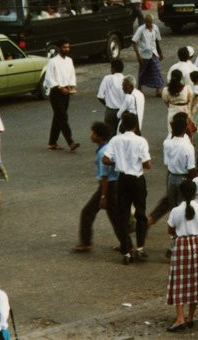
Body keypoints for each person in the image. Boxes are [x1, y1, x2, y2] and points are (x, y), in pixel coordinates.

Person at [102, 112, 152, 264]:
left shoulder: (115, 140)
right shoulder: (141, 141)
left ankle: (126, 251)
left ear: (122, 125)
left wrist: (117, 162)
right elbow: (147, 164)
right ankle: (140, 247)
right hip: (137, 179)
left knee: (123, 215)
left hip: (122, 179)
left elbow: (105, 160)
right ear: (136, 126)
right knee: (140, 213)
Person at [73, 122, 127, 255]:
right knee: (115, 217)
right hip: (115, 186)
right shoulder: (109, 147)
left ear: (100, 137)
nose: (91, 136)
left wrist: (103, 197)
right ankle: (126, 244)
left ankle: (86, 242)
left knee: (87, 212)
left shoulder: (103, 152)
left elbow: (104, 177)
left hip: (107, 187)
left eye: (93, 134)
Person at [166, 179, 198, 332]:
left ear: (180, 192)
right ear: (194, 192)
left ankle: (180, 318)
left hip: (182, 245)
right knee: (196, 280)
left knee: (179, 281)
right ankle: (191, 317)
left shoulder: (176, 211)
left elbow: (170, 229)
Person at [44, 39, 80, 151]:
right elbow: (49, 78)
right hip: (56, 92)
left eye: (68, 47)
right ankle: (70, 142)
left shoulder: (69, 60)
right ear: (59, 48)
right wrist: (60, 87)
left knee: (58, 117)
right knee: (63, 117)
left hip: (66, 91)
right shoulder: (53, 61)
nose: (67, 49)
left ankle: (52, 143)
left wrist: (72, 86)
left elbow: (72, 74)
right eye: (64, 47)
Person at [133, 14, 165, 91]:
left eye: (150, 23)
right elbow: (134, 42)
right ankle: (139, 87)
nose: (148, 24)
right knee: (142, 71)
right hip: (144, 54)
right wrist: (138, 55)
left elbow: (156, 41)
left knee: (156, 70)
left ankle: (158, 90)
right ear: (144, 22)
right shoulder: (141, 29)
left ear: (152, 22)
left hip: (153, 52)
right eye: (147, 22)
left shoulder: (155, 28)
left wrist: (160, 53)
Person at [97, 59, 127, 130]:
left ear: (112, 68)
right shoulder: (126, 79)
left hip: (110, 111)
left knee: (109, 135)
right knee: (121, 133)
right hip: (122, 111)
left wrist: (107, 104)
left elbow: (100, 96)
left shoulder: (107, 78)